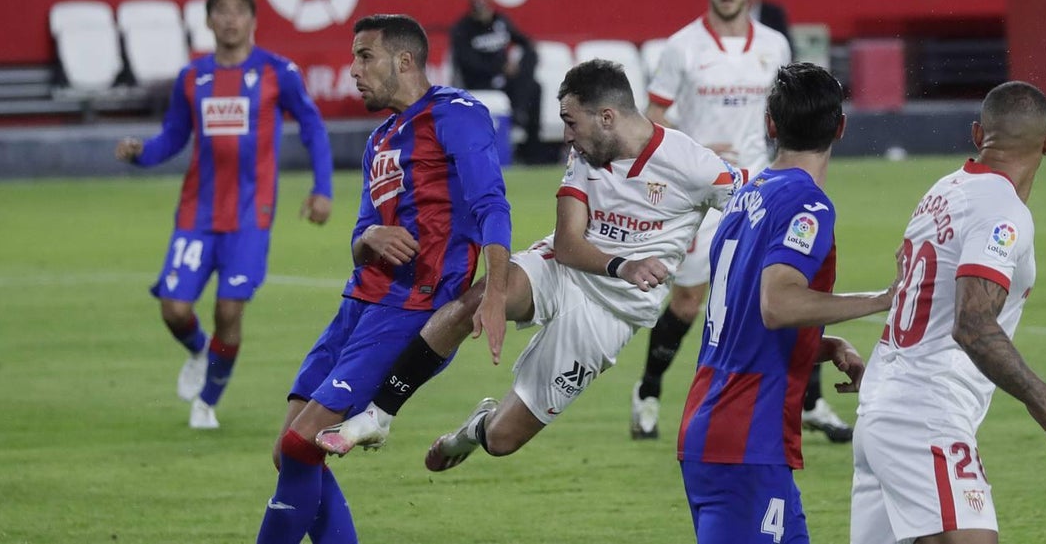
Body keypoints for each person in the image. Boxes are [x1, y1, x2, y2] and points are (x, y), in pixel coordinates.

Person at [314, 58, 744, 472]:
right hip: (565, 269)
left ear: (608, 118)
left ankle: (469, 432)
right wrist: (624, 265)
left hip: (613, 314)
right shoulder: (585, 157)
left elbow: (756, 205)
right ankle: (379, 415)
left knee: (502, 440)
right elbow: (569, 245)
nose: (566, 136)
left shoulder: (693, 164)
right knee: (481, 298)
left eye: (571, 122)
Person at [254, 14, 512, 543]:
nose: (353, 70)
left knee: (304, 447)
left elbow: (492, 204)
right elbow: (359, 235)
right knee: (289, 452)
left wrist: (497, 290)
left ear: (405, 60)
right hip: (360, 303)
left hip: (413, 308)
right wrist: (369, 240)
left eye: (364, 56)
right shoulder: (381, 139)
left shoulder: (457, 114)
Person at [850, 81, 1046, 543]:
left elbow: (914, 285)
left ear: (978, 135)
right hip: (925, 414)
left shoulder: (944, 190)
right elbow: (972, 324)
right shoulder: (1002, 213)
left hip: (883, 406)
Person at [635, 0, 849, 444]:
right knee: (689, 299)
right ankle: (647, 391)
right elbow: (654, 120)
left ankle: (813, 402)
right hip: (706, 193)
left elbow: (794, 113)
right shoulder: (682, 48)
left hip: (768, 188)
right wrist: (695, 147)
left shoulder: (774, 45)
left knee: (793, 288)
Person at [677, 62, 902, 543]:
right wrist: (882, 299)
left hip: (713, 423)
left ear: (771, 125)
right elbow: (777, 305)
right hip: (746, 435)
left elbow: (744, 316)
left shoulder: (746, 196)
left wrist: (824, 344)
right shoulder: (807, 204)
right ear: (840, 127)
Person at [115, 0, 333, 430]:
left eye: (239, 10)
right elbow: (174, 136)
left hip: (251, 217)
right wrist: (142, 154)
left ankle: (207, 402)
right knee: (174, 309)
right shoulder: (193, 77)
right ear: (209, 20)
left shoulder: (277, 72)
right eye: (222, 10)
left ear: (252, 20)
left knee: (229, 310)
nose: (231, 18)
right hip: (197, 214)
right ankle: (199, 350)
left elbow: (312, 126)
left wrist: (322, 189)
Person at [449, 0, 548, 163]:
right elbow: (468, 63)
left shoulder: (500, 21)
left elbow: (526, 43)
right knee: (526, 88)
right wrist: (500, 68)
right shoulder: (462, 28)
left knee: (534, 85)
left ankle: (533, 151)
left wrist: (518, 65)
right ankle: (518, 111)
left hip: (508, 83)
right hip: (482, 84)